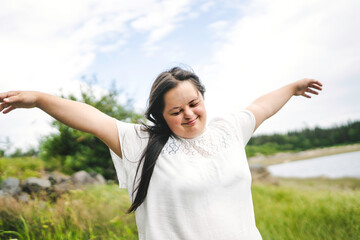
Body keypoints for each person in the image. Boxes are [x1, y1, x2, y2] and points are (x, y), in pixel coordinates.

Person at [0, 67, 322, 240]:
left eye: (194, 104)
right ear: (161, 116)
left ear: (203, 98)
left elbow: (261, 107)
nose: (189, 115)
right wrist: (40, 99)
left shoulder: (229, 130)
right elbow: (93, 119)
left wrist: (292, 88)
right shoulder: (142, 143)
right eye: (176, 111)